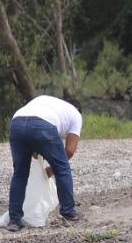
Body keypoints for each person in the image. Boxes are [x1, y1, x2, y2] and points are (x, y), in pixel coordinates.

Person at [5, 94, 83, 231]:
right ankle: (68, 213)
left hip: (16, 123)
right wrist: (51, 170)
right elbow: (69, 151)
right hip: (42, 126)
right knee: (63, 168)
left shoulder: (46, 101)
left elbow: (29, 128)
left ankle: (14, 220)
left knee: (19, 174)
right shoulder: (76, 114)